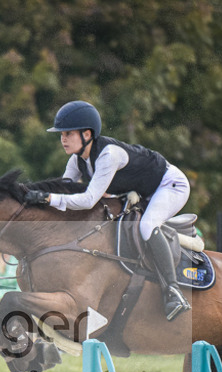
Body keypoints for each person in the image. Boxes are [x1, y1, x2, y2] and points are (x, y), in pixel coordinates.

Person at [26, 101, 191, 320]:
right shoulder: (77, 160)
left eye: (68, 134)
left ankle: (173, 291)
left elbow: (87, 200)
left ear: (87, 134)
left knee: (147, 225)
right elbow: (63, 188)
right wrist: (34, 195)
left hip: (170, 185)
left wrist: (48, 198)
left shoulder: (109, 155)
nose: (63, 139)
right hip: (144, 192)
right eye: (61, 134)